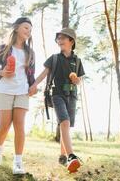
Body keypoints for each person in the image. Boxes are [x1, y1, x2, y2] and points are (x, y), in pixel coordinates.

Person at [29, 28, 85, 173]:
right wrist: (34, 84)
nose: (59, 41)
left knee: (65, 125)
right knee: (64, 122)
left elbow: (79, 81)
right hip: (57, 94)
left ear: (71, 41)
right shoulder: (54, 58)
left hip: (71, 96)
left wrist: (76, 79)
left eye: (63, 38)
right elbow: (43, 74)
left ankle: (62, 156)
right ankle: (71, 156)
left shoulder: (77, 61)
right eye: (58, 38)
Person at [0, 17, 36, 175]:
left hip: (22, 91)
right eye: (26, 28)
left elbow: (31, 75)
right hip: (4, 89)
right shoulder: (5, 47)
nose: (28, 32)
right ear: (17, 28)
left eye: (30, 30)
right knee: (4, 125)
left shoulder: (30, 52)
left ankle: (18, 162)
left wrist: (33, 87)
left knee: (19, 125)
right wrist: (2, 72)